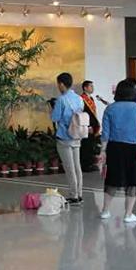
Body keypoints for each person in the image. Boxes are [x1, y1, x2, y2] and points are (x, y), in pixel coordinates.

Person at [97, 80, 136, 224]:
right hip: (135, 149)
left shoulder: (110, 109)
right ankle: (128, 214)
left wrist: (103, 151)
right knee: (133, 182)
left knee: (112, 180)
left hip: (114, 148)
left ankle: (105, 211)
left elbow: (105, 133)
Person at [51, 72, 85, 204]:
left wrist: (52, 109)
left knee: (69, 168)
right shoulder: (79, 98)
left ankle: (73, 195)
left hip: (65, 136)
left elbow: (55, 118)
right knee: (77, 166)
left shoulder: (61, 100)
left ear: (61, 84)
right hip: (77, 135)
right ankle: (79, 193)